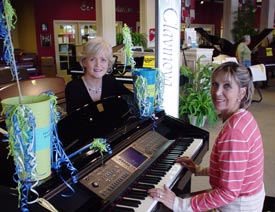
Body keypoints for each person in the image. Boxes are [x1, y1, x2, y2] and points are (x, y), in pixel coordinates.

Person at [148, 62, 265, 211]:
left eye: (227, 86)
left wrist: (178, 204)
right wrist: (199, 169)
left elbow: (228, 192)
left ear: (242, 93)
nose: (217, 92)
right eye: (215, 84)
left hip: (237, 207)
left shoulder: (234, 133)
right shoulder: (244, 118)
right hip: (246, 200)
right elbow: (231, 170)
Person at [65, 36, 132, 114]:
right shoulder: (73, 88)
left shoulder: (112, 82)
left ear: (108, 63)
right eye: (92, 59)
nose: (98, 64)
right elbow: (73, 122)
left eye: (103, 60)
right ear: (84, 62)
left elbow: (133, 100)